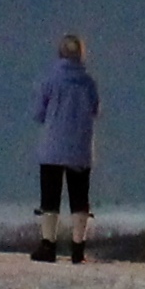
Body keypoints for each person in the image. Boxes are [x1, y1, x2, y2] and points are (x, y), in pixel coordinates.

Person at [31, 31, 100, 263]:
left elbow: (39, 113)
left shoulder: (50, 80)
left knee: (49, 198)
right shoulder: (89, 83)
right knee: (79, 199)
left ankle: (48, 245)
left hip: (52, 147)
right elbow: (95, 110)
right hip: (80, 149)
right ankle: (78, 248)